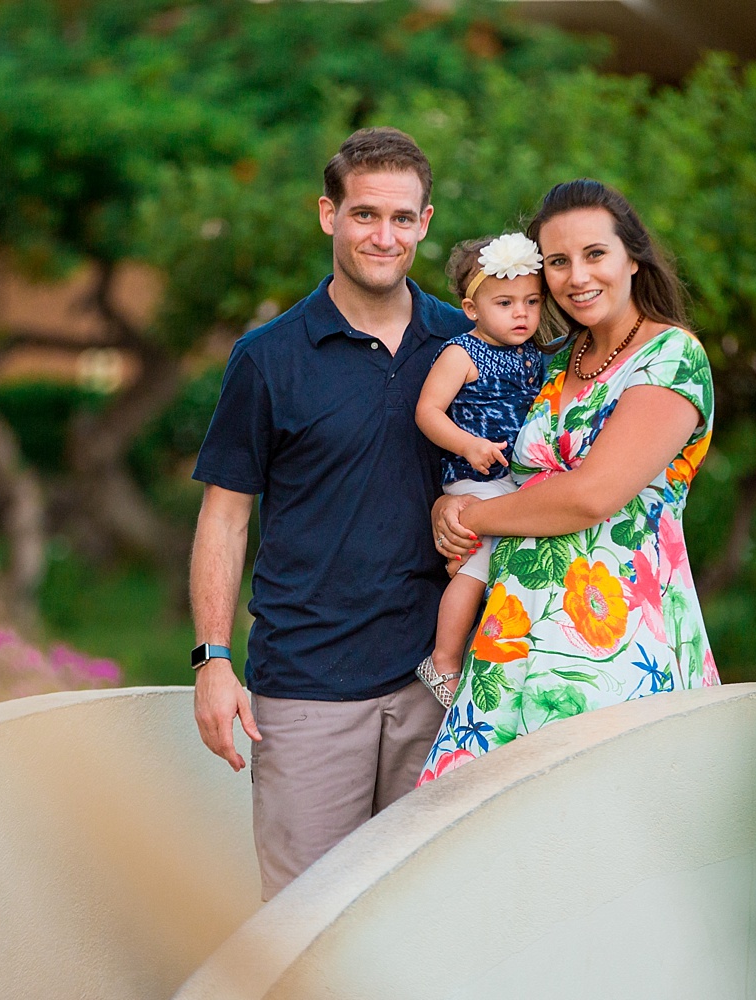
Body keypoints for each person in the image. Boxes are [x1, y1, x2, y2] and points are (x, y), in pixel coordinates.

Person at [188, 127, 472, 899]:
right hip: (307, 689)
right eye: (365, 215)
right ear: (328, 215)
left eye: (403, 218)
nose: (385, 236)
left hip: (440, 688)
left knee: (426, 922)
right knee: (305, 930)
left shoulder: (471, 345)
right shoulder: (268, 357)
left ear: (426, 222)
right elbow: (223, 518)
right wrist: (212, 660)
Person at [421, 179, 720, 785]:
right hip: (509, 641)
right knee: (487, 851)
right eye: (558, 261)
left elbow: (591, 496)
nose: (577, 276)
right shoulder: (550, 359)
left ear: (632, 258)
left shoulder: (671, 358)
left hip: (616, 648)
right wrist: (445, 508)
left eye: (595, 254)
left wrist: (468, 518)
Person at [413, 233, 549, 705]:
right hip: (475, 477)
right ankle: (444, 659)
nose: (521, 314)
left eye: (532, 302)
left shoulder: (533, 356)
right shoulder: (461, 353)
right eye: (506, 302)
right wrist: (468, 445)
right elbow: (428, 411)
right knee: (478, 563)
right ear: (472, 308)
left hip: (512, 479)